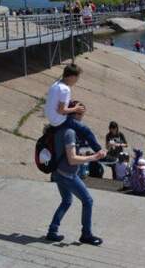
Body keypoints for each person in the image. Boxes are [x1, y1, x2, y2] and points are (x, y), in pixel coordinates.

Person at [46, 105, 107, 246]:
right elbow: (72, 159)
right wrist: (94, 157)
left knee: (67, 201)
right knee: (88, 201)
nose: (82, 119)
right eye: (81, 114)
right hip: (67, 174)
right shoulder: (70, 132)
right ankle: (86, 234)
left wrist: (85, 155)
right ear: (76, 115)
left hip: (58, 172)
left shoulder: (60, 127)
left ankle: (52, 231)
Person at [43, 64, 103, 153]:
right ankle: (100, 153)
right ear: (71, 77)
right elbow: (61, 111)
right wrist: (75, 109)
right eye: (77, 78)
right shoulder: (65, 89)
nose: (77, 81)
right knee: (85, 130)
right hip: (58, 120)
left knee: (77, 120)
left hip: (51, 117)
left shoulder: (57, 84)